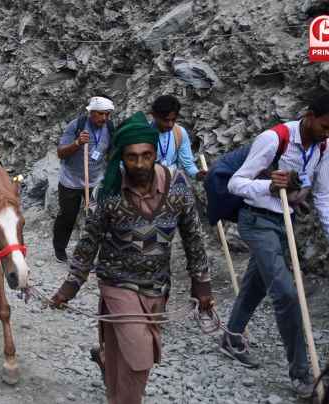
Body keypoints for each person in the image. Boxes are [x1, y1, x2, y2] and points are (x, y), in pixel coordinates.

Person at [49, 112, 213, 404]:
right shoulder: (110, 190)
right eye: (132, 157)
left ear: (155, 153)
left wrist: (202, 284)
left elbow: (193, 236)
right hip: (117, 282)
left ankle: (109, 370)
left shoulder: (177, 185)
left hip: (157, 285)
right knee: (140, 353)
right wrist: (70, 286)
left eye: (146, 155)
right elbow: (90, 240)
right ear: (122, 157)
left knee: (128, 352)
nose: (139, 164)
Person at [220, 93, 329, 399]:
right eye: (325, 127)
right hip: (257, 220)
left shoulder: (323, 147)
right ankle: (302, 374)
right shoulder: (273, 138)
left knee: (257, 283)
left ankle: (231, 336)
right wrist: (269, 185)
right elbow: (236, 183)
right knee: (287, 294)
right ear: (309, 115)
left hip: (284, 223)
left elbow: (326, 195)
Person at [52, 96, 116, 263]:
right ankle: (59, 248)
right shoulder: (76, 125)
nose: (104, 118)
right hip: (71, 180)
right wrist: (77, 143)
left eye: (107, 114)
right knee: (67, 216)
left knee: (96, 218)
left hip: (95, 181)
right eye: (101, 114)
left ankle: (90, 254)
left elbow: (111, 151)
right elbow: (60, 153)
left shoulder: (109, 127)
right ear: (91, 113)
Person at [149, 95, 206, 180]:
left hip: (172, 181)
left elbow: (188, 164)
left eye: (173, 120)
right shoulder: (143, 134)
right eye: (166, 120)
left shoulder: (179, 132)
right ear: (154, 116)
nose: (170, 124)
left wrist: (197, 175)